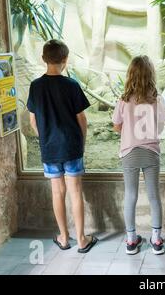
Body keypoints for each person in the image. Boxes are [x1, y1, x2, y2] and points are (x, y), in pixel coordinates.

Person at [27, 39, 98, 253]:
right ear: (65, 60)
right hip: (71, 147)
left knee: (57, 192)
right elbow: (82, 119)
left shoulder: (35, 86)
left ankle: (64, 238)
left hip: (50, 149)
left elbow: (32, 120)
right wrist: (81, 141)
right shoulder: (72, 85)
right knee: (75, 192)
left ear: (43, 59)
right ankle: (82, 239)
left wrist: (45, 137)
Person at [112, 56, 165, 255]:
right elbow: (161, 125)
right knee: (154, 196)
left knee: (131, 195)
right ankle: (157, 239)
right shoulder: (157, 100)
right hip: (151, 152)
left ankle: (131, 239)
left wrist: (129, 130)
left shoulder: (124, 100)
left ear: (130, 75)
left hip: (129, 152)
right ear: (151, 74)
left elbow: (117, 125)